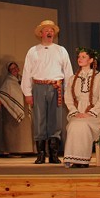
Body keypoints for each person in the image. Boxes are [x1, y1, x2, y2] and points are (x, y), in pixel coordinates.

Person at [21, 20, 73, 164]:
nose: (49, 32)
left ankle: (54, 154)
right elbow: (27, 72)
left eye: (51, 30)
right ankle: (41, 154)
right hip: (39, 87)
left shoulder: (61, 50)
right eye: (46, 30)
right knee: (39, 119)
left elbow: (68, 72)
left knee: (55, 121)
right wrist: (27, 93)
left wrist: (68, 92)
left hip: (56, 87)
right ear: (41, 33)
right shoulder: (33, 51)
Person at [63, 47, 100, 168]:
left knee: (83, 124)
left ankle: (82, 160)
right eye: (79, 57)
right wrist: (75, 112)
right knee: (74, 124)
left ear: (91, 60)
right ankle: (74, 158)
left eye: (83, 57)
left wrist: (90, 113)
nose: (80, 59)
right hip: (77, 112)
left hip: (96, 114)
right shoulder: (73, 78)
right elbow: (68, 98)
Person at [0, 62, 34, 155]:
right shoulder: (8, 82)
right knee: (13, 132)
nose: (14, 70)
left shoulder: (23, 79)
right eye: (12, 69)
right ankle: (13, 150)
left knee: (25, 131)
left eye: (15, 68)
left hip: (24, 107)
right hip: (12, 110)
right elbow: (2, 94)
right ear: (9, 71)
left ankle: (25, 149)